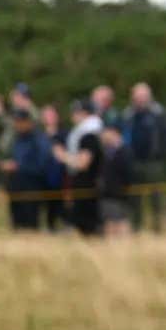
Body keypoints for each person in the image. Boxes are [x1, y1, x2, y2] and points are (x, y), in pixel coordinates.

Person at [123, 83, 166, 230]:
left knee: (156, 196)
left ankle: (158, 228)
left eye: (143, 96)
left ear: (149, 97)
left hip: (153, 161)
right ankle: (136, 227)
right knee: (135, 197)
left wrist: (165, 158)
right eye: (137, 97)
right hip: (134, 161)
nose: (140, 100)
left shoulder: (158, 113)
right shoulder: (128, 114)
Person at [54, 101, 101, 236]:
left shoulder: (89, 135)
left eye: (75, 112)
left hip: (87, 185)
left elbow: (83, 163)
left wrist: (62, 156)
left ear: (84, 114)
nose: (72, 116)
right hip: (84, 185)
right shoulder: (88, 133)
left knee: (88, 228)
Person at [5, 107, 50, 231]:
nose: (17, 124)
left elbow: (42, 165)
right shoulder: (18, 139)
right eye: (16, 121)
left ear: (28, 122)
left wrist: (19, 167)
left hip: (32, 187)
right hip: (16, 187)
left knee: (30, 224)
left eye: (20, 121)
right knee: (16, 224)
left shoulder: (39, 139)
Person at [96, 123, 134, 238]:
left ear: (113, 133)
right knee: (110, 223)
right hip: (108, 194)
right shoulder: (106, 152)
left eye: (105, 132)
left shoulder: (124, 151)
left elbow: (128, 174)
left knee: (119, 223)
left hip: (118, 195)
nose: (102, 135)